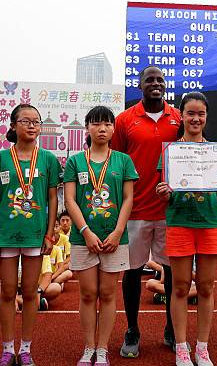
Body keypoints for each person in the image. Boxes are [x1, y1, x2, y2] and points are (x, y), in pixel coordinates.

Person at [156, 92, 217, 366]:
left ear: (206, 117)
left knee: (206, 287)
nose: (195, 118)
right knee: (180, 287)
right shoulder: (170, 152)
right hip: (180, 223)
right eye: (190, 113)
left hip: (209, 224)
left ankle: (202, 348)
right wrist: (164, 192)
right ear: (181, 116)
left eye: (201, 114)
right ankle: (182, 347)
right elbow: (167, 191)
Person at [0, 104, 61, 366]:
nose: (31, 125)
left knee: (30, 293)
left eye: (36, 121)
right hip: (6, 235)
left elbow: (52, 198)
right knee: (6, 292)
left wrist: (50, 235)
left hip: (36, 236)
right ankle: (7, 349)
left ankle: (25, 349)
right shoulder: (1, 159)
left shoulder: (48, 159)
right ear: (13, 125)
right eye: (25, 121)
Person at [111, 65, 182, 357]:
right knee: (132, 273)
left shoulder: (178, 117)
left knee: (172, 273)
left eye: (160, 80)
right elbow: (115, 163)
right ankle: (132, 329)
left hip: (170, 210)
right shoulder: (124, 119)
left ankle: (171, 327)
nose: (155, 83)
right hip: (136, 209)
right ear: (140, 85)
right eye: (150, 80)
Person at [64, 105, 138, 366]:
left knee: (108, 294)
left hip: (114, 239)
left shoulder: (123, 161)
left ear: (113, 128)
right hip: (83, 238)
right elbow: (70, 200)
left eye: (107, 123)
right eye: (96, 123)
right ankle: (88, 347)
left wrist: (118, 232)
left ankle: (103, 348)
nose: (102, 128)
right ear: (88, 128)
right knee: (87, 294)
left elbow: (129, 198)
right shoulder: (75, 161)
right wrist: (85, 232)